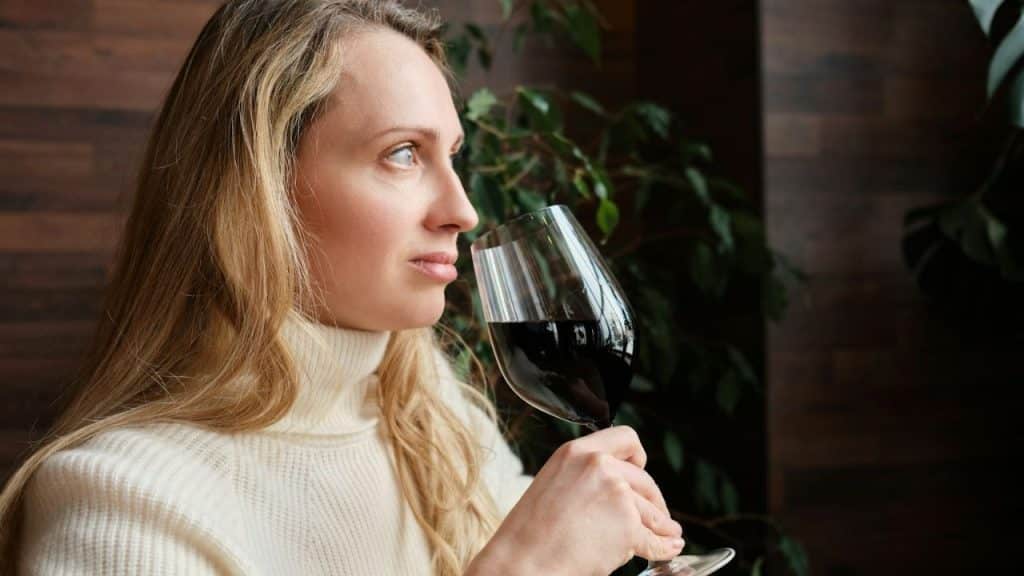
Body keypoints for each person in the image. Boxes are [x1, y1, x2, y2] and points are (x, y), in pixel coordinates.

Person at [0, 1, 685, 574]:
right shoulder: (124, 504)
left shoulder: (429, 408)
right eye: (402, 153)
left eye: (451, 156)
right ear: (259, 190)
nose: (463, 210)